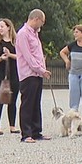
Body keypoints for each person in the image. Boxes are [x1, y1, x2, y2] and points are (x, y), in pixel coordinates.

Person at [16, 9, 52, 143]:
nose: (41, 25)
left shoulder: (35, 34)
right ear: (36, 19)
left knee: (36, 103)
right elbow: (28, 56)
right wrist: (40, 69)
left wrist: (42, 69)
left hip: (37, 74)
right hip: (28, 74)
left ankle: (36, 131)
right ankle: (26, 133)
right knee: (27, 103)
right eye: (42, 22)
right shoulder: (23, 34)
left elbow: (38, 54)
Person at [0, 18, 21, 135]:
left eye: (2, 26)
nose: (0, 29)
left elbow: (21, 56)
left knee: (13, 101)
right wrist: (1, 58)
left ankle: (12, 126)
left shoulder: (16, 42)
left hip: (14, 74)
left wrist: (10, 55)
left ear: (9, 27)